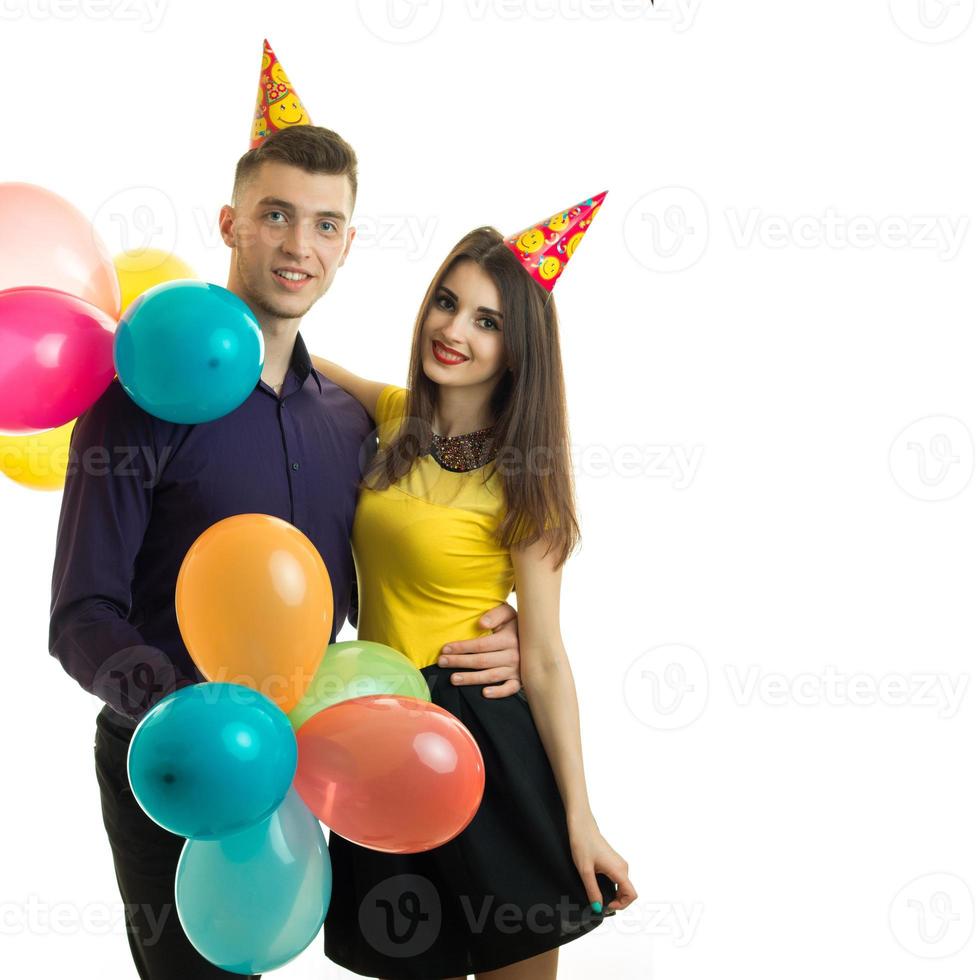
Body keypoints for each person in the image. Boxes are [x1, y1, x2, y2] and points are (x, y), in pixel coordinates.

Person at [48, 49, 525, 980]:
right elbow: (78, 617)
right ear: (231, 224)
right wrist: (190, 715)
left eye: (324, 224)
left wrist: (499, 626)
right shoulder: (140, 403)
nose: (297, 244)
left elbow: (423, 548)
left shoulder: (349, 421)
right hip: (174, 761)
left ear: (348, 245)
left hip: (322, 752)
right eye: (275, 215)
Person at [308, 197, 638, 980]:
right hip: (377, 735)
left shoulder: (525, 482)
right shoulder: (393, 418)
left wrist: (581, 819)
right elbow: (295, 357)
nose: (454, 331)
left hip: (482, 734)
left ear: (517, 349)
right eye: (449, 303)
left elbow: (549, 659)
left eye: (487, 322)